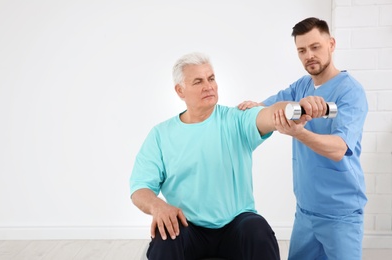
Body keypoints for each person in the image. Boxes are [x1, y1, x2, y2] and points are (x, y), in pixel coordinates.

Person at [130, 52, 327, 260]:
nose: (208, 86)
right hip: (188, 227)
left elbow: (270, 114)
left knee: (257, 229)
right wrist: (157, 206)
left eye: (211, 78)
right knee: (166, 235)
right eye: (198, 81)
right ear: (180, 90)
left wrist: (296, 108)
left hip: (236, 225)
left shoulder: (236, 119)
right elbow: (139, 188)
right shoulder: (161, 134)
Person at [239, 17, 368, 260]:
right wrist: (254, 107)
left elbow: (339, 148)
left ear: (331, 44)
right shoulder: (302, 86)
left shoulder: (350, 91)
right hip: (306, 211)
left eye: (315, 47)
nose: (309, 55)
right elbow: (271, 106)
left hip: (341, 213)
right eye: (302, 50)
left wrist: (300, 133)